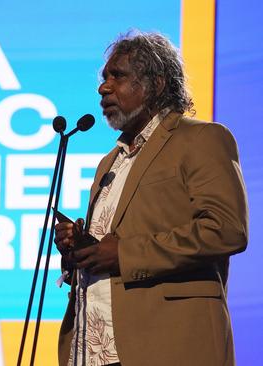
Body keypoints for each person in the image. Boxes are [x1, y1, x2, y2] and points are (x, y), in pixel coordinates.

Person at [54, 31, 248, 366]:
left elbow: (226, 229)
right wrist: (80, 251)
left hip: (164, 343)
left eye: (118, 76)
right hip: (92, 348)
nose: (104, 87)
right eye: (104, 78)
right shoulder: (109, 163)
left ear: (156, 85)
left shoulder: (201, 139)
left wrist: (124, 253)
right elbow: (109, 251)